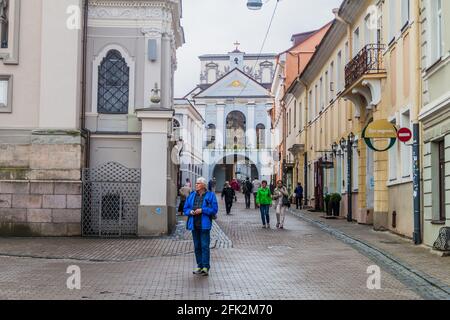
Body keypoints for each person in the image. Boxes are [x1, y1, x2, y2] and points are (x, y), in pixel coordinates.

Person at [184, 177, 218, 277]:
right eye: (196, 183)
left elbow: (214, 210)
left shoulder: (210, 195)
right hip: (194, 224)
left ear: (203, 185)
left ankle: (205, 267)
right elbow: (185, 208)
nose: (196, 185)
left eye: (198, 183)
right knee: (197, 246)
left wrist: (202, 210)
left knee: (204, 246)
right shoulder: (191, 195)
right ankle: (199, 265)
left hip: (204, 225)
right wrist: (190, 212)